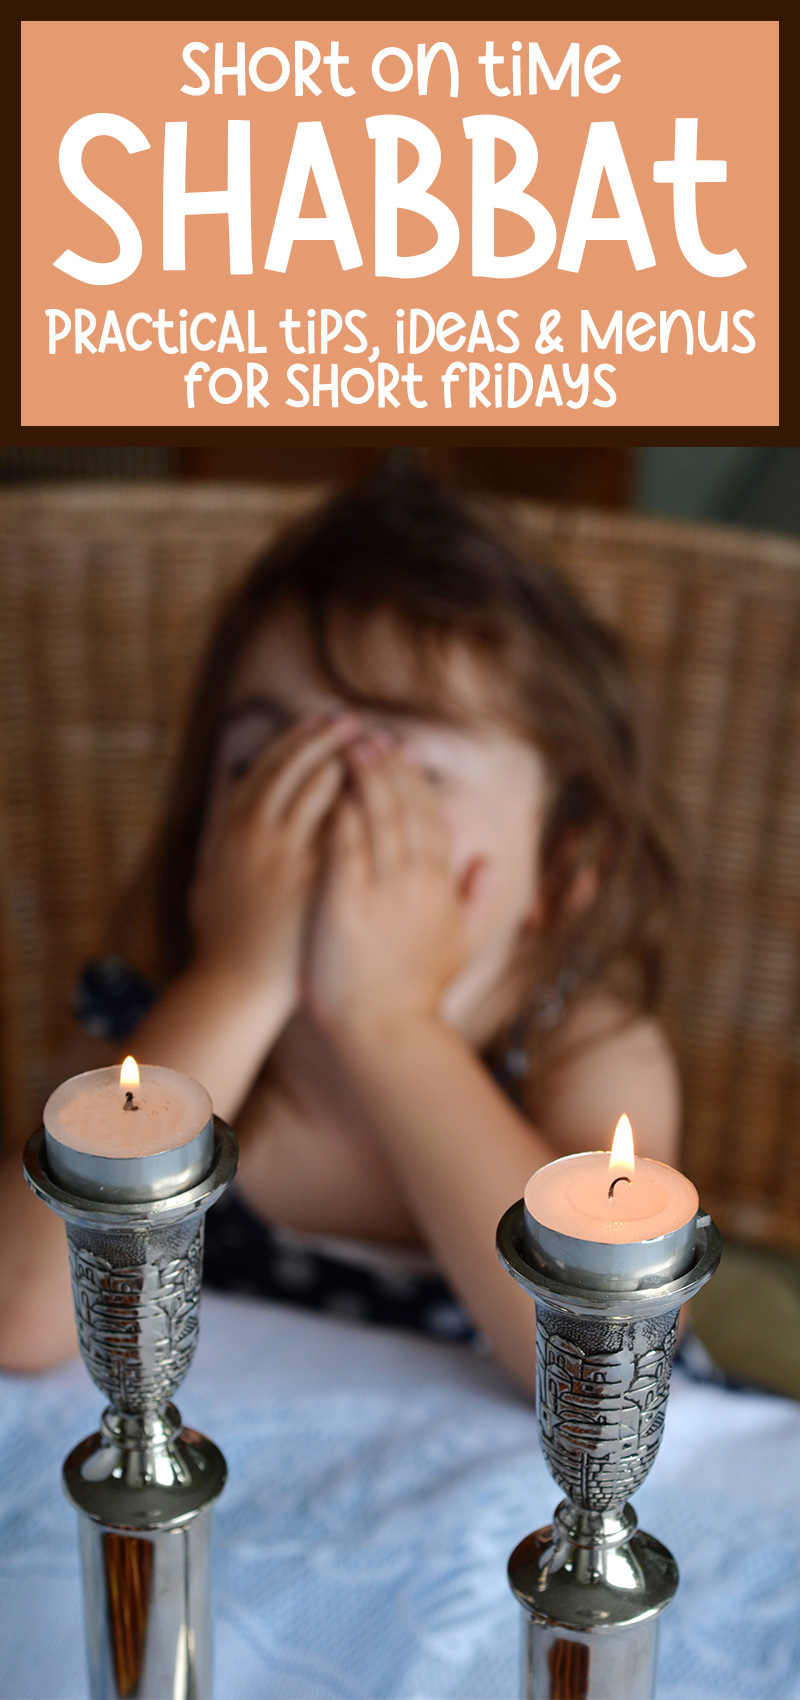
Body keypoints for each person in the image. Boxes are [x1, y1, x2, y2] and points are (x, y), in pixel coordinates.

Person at [0, 466, 681, 1392]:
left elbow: (600, 1373)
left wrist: (389, 1025)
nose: (323, 811)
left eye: (407, 773)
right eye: (263, 763)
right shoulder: (148, 1032)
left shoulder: (586, 1051)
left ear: (558, 868)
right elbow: (24, 1316)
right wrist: (233, 984)